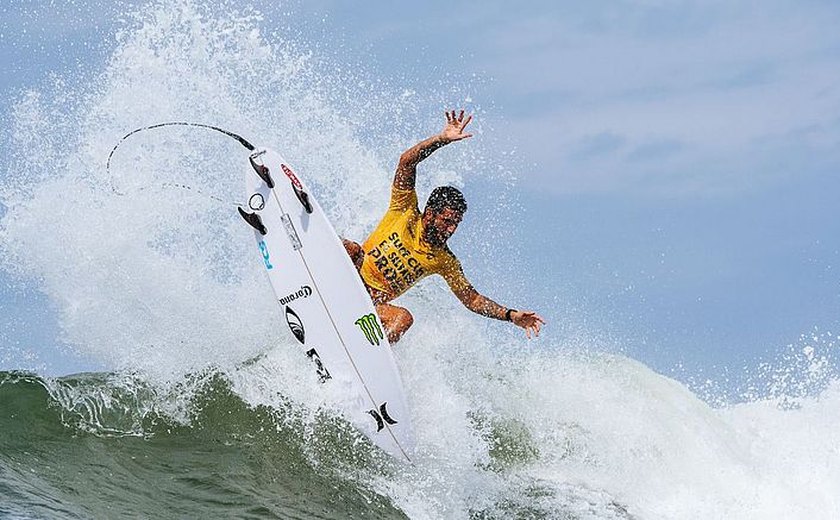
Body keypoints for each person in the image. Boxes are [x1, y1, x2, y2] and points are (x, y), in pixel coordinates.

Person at [344, 110, 545, 344]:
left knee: (403, 318)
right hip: (347, 276)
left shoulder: (444, 260)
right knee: (352, 249)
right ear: (430, 213)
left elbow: (472, 299)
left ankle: (367, 355)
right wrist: (441, 139)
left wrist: (510, 315)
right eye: (447, 221)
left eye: (456, 224)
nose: (451, 229)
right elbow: (406, 162)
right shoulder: (404, 210)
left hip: (369, 306)